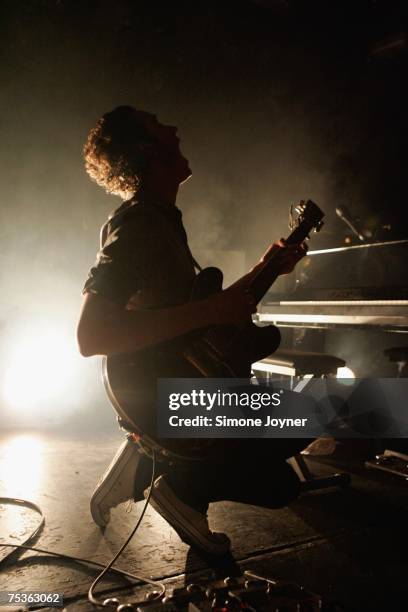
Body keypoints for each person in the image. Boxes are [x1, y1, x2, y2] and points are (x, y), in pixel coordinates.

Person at [77, 105, 308, 555]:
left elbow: (207, 314)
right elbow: (91, 336)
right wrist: (208, 312)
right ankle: (180, 489)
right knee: (349, 411)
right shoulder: (139, 224)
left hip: (174, 389)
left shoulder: (161, 220)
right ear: (147, 149)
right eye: (159, 125)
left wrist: (267, 267)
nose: (175, 128)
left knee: (284, 478)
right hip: (169, 397)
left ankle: (148, 465)